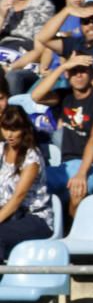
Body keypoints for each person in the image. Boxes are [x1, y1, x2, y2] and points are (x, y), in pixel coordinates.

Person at [30, 52, 93, 215]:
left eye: (83, 70)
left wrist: (82, 173)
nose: (79, 75)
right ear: (67, 74)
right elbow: (36, 96)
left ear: (92, 73)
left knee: (76, 193)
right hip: (65, 166)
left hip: (91, 166)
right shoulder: (65, 96)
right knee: (30, 183)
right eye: (74, 71)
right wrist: (62, 66)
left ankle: (70, 233)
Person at [37, 1, 93, 92]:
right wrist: (66, 11)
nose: (91, 25)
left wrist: (75, 99)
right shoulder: (75, 43)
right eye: (85, 21)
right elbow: (43, 38)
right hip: (73, 97)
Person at [0, 105, 52, 259]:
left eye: (15, 129)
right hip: (9, 214)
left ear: (24, 129)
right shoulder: (1, 150)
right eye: (5, 128)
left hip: (35, 218)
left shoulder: (32, 157)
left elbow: (17, 199)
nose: (9, 134)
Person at [0, 0, 52, 95]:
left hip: (24, 65)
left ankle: (13, 115)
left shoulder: (42, 7)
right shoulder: (2, 5)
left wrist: (11, 67)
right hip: (2, 57)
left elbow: (40, 50)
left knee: (12, 77)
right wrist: (1, 16)